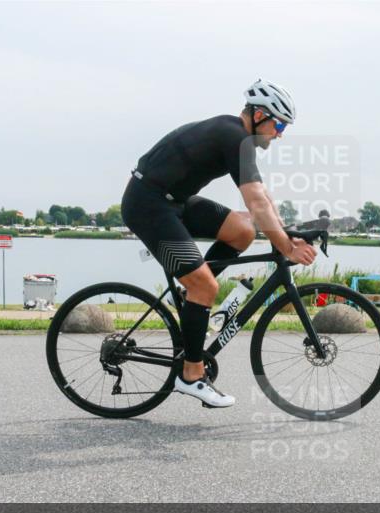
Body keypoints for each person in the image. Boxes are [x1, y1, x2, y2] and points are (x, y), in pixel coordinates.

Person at [122, 79, 316, 408]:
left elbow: (263, 196)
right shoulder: (233, 136)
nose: (280, 134)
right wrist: (284, 246)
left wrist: (288, 232)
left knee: (242, 232)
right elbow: (254, 200)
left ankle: (192, 296)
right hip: (148, 204)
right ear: (258, 115)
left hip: (176, 201)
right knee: (206, 287)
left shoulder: (236, 136)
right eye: (279, 124)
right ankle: (191, 376)